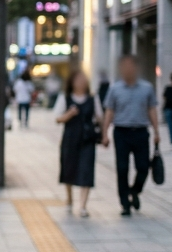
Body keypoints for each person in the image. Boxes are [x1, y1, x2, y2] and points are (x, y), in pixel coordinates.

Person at [101, 54, 160, 217]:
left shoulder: (147, 88)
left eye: (130, 66)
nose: (127, 69)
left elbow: (152, 109)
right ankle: (125, 203)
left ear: (136, 68)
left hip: (141, 132)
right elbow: (109, 111)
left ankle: (134, 191)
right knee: (122, 169)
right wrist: (105, 134)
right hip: (121, 132)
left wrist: (156, 131)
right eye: (124, 66)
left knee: (143, 167)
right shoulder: (115, 89)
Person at [54, 70, 102, 217]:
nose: (81, 82)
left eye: (83, 79)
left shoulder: (93, 98)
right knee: (68, 169)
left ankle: (83, 206)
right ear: (72, 82)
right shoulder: (65, 98)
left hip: (87, 139)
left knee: (87, 170)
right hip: (70, 139)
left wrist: (104, 133)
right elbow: (57, 118)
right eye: (78, 79)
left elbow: (100, 117)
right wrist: (69, 114)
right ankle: (69, 199)